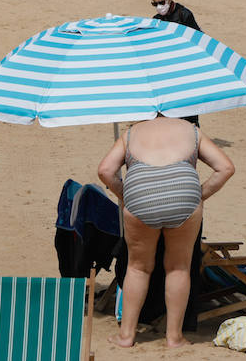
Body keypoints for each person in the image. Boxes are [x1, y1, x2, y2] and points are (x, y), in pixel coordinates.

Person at [97, 116, 234, 347]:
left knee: (138, 267)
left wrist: (125, 196)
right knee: (179, 267)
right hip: (184, 197)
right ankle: (174, 337)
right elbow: (226, 168)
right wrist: (199, 195)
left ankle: (127, 335)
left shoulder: (131, 133)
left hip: (140, 197)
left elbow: (105, 171)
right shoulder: (191, 130)